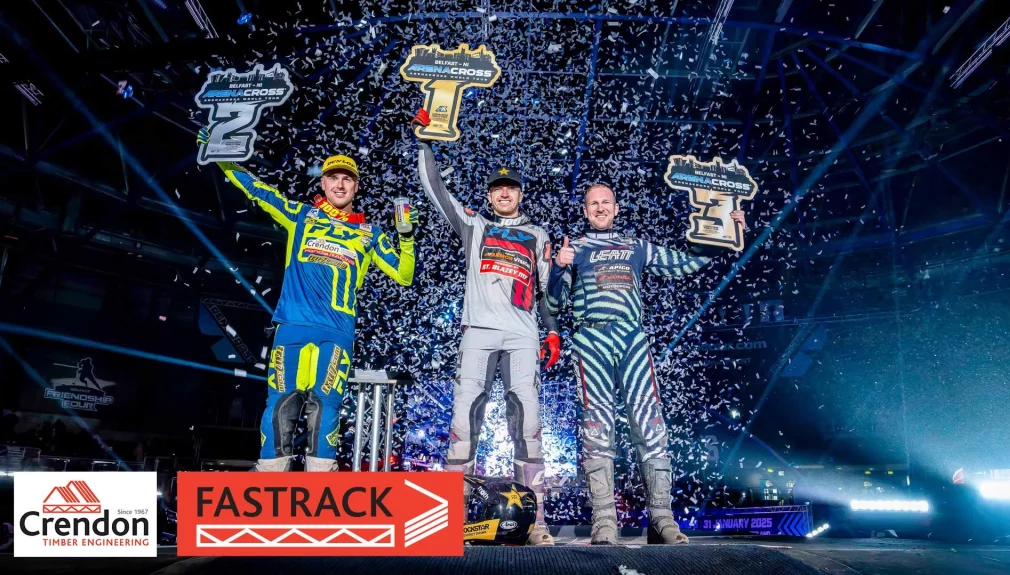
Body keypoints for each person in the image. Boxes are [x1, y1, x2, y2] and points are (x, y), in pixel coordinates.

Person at [197, 126, 417, 472]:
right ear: (323, 184)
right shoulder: (301, 216)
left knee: (325, 403)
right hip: (292, 326)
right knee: (283, 402)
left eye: (347, 179)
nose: (340, 184)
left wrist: (406, 237)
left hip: (336, 332)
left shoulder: (370, 234)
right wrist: (223, 158)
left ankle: (319, 483)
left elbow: (403, 275)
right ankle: (270, 477)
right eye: (333, 178)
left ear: (356, 186)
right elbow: (258, 189)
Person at [547, 182, 746, 545]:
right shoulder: (573, 248)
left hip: (632, 338)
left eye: (606, 201)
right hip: (590, 340)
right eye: (594, 203)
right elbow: (556, 304)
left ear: (617, 207)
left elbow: (684, 264)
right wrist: (559, 268)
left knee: (650, 427)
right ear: (586, 210)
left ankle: (661, 518)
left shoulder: (636, 246)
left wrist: (725, 235)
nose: (601, 207)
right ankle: (605, 521)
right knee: (597, 430)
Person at [411, 109, 560, 545]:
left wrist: (551, 330)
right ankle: (449, 521)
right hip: (476, 331)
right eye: (498, 188)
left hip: (520, 334)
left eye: (511, 188)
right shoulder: (473, 226)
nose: (504, 194)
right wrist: (425, 144)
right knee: (463, 421)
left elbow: (547, 292)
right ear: (490, 195)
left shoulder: (538, 233)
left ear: (520, 194)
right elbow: (435, 191)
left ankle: (537, 523)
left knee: (528, 425)